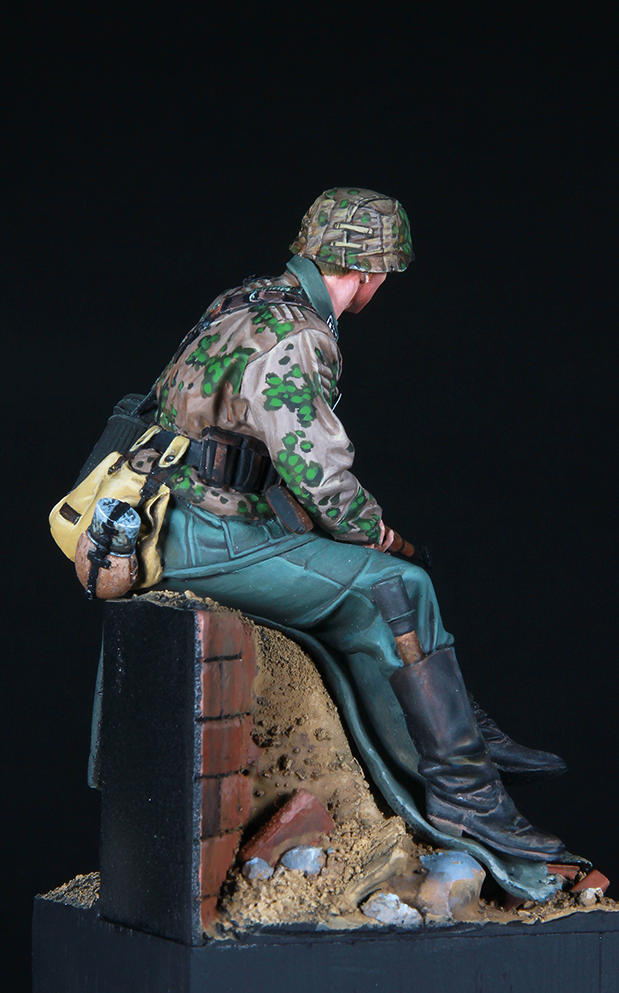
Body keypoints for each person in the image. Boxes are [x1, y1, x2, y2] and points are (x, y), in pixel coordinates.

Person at [143, 187, 567, 862]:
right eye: (384, 273)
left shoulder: (246, 300)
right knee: (402, 585)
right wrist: (377, 534)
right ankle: (468, 796)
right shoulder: (301, 336)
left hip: (183, 513)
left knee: (385, 581)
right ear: (370, 271)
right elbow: (323, 481)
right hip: (213, 538)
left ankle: (464, 733)